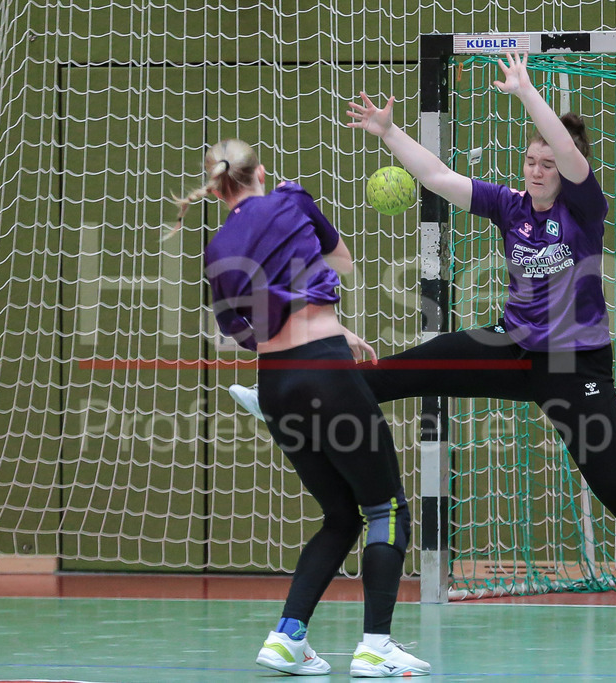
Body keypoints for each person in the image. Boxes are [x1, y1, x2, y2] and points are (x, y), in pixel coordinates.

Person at [233, 52, 616, 630]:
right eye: (531, 160)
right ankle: (283, 400)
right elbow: (438, 177)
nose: (537, 170)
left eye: (548, 163)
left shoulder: (584, 209)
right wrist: (389, 132)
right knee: (402, 370)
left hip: (574, 366)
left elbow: (568, 154)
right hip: (511, 347)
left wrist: (525, 92)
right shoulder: (509, 205)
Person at [174, 139, 430, 677]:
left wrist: (315, 336)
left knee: (340, 516)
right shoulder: (290, 198)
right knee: (386, 510)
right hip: (326, 375)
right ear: (260, 172)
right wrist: (324, 335)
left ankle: (287, 636)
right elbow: (343, 262)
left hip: (276, 384)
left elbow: (238, 329)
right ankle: (376, 647)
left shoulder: (217, 248)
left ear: (217, 189)